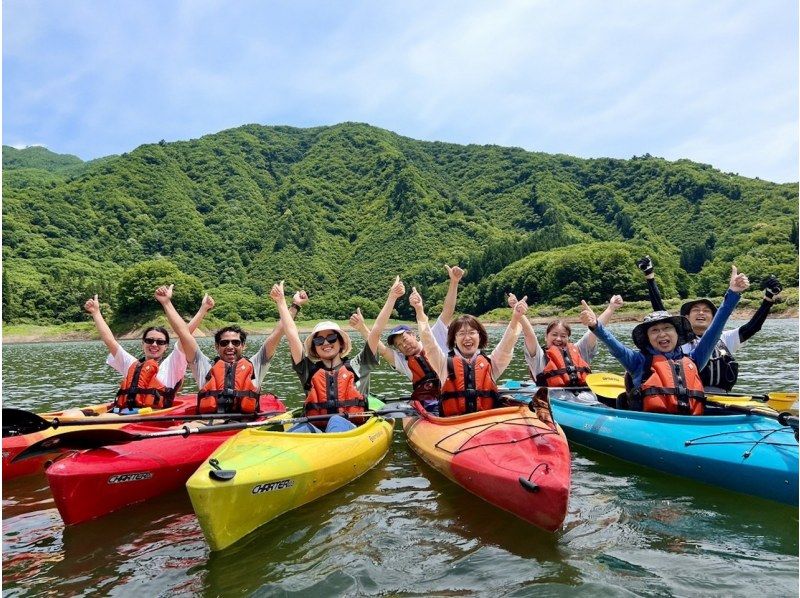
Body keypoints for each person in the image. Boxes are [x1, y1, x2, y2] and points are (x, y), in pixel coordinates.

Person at [580, 265, 750, 415]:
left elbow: (715, 330)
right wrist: (596, 325)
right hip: (653, 426)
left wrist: (733, 293)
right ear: (647, 338)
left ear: (677, 334)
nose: (662, 334)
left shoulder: (694, 359)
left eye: (667, 328)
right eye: (654, 330)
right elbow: (613, 344)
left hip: (693, 425)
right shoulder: (637, 361)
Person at [270, 277, 403, 432]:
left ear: (341, 343)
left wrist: (392, 297)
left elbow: (376, 332)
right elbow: (292, 334)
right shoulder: (308, 370)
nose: (325, 343)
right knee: (301, 428)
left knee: (336, 420)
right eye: (319, 340)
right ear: (314, 347)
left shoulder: (358, 365)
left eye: (331, 338)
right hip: (315, 429)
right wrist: (281, 302)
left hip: (351, 430)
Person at [637, 255, 783, 391]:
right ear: (686, 317)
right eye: (696, 310)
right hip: (690, 397)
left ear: (714, 318)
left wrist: (768, 298)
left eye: (706, 311)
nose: (701, 313)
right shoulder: (677, 341)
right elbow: (660, 313)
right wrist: (650, 276)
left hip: (724, 399)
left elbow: (753, 327)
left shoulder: (725, 338)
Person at [156, 284, 307, 414]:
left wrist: (295, 305)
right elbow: (184, 334)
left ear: (243, 345)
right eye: (224, 343)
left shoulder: (257, 364)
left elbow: (277, 333)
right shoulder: (203, 365)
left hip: (245, 427)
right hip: (209, 424)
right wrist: (166, 303)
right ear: (216, 346)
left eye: (235, 343)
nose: (230, 346)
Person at [350, 264, 465, 411]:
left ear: (413, 335)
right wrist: (361, 327)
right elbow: (381, 348)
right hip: (428, 405)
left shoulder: (433, 337)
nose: (403, 345)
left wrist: (454, 282)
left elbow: (448, 311)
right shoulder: (403, 362)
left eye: (404, 339)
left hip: (454, 395)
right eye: (398, 345)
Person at [84, 292, 214, 413]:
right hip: (124, 416)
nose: (154, 345)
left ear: (166, 346)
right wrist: (95, 312)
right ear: (143, 343)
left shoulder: (172, 365)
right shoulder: (133, 365)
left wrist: (203, 309)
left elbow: (185, 334)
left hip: (154, 418)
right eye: (149, 340)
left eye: (160, 342)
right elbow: (110, 341)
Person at [408, 286, 528, 416]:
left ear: (480, 336)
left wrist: (516, 318)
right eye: (461, 334)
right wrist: (419, 311)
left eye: (472, 333)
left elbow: (506, 346)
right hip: (453, 424)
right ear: (454, 338)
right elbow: (429, 344)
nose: (467, 338)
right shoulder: (443, 364)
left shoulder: (491, 363)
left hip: (486, 423)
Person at [508, 293, 623, 392]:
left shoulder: (579, 350)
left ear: (568, 338)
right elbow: (529, 334)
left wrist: (611, 308)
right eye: (554, 335)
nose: (558, 339)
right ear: (545, 337)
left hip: (586, 400)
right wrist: (518, 313)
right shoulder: (538, 357)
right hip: (554, 403)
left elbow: (595, 330)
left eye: (563, 336)